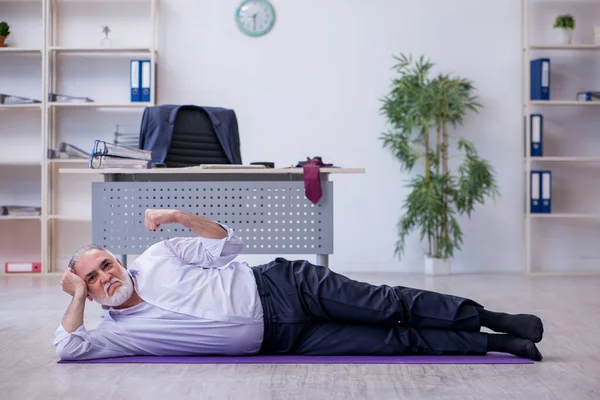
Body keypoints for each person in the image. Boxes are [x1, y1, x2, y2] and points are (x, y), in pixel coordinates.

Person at [54, 209, 544, 361]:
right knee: (393, 342)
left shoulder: (158, 255)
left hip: (284, 287)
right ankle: (495, 343)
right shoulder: (116, 332)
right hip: (285, 339)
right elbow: (66, 348)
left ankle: (491, 316)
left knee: (388, 305)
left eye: (104, 265)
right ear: (90, 293)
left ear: (117, 260)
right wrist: (74, 295)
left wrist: (179, 216)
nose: (105, 277)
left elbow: (228, 242)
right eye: (92, 279)